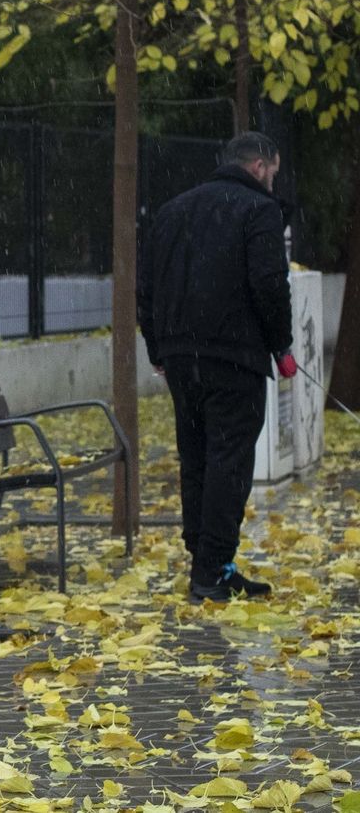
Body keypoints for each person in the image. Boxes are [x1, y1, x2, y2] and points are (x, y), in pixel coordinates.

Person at [138, 131, 295, 602]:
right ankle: (211, 569)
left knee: (198, 458)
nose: (273, 182)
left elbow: (145, 287)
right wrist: (281, 346)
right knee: (230, 462)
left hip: (181, 358)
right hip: (235, 357)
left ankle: (207, 562)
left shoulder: (173, 211)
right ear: (261, 165)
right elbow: (270, 283)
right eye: (274, 173)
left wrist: (158, 348)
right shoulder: (259, 210)